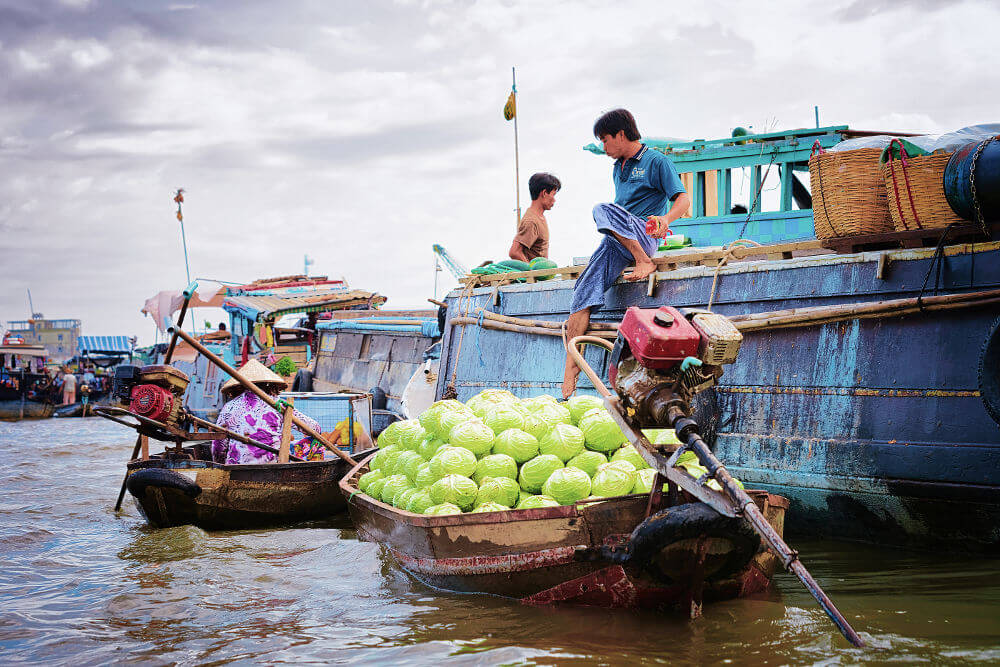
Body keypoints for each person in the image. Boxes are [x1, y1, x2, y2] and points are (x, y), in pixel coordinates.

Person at [561, 108, 692, 399]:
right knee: (581, 294)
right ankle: (571, 367)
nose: (603, 147)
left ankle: (645, 262)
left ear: (621, 134)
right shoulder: (617, 166)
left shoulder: (656, 161)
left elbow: (683, 198)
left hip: (643, 234)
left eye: (605, 140)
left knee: (602, 209)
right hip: (617, 240)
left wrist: (666, 221)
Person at [211, 359, 325, 465]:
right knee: (316, 442)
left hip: (236, 467)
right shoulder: (278, 404)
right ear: (270, 385)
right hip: (272, 466)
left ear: (239, 387)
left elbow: (218, 445)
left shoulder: (228, 407)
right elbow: (315, 428)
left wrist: (221, 464)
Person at [509, 172, 561, 262]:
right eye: (553, 194)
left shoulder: (540, 217)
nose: (554, 200)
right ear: (544, 193)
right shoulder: (531, 221)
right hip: (535, 275)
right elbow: (514, 252)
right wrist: (532, 273)